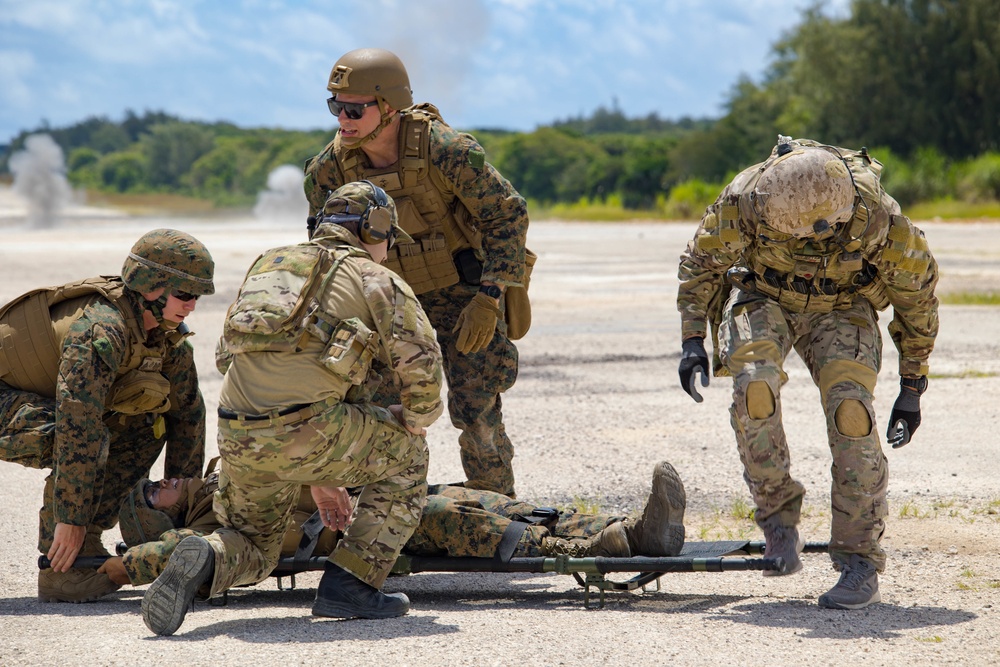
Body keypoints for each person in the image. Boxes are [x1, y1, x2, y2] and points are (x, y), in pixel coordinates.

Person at [141, 182, 444, 636]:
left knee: (257, 550)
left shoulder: (269, 264)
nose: (387, 252)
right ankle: (352, 584)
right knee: (409, 455)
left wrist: (322, 475)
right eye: (387, 240)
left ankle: (208, 556)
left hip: (238, 437)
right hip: (310, 430)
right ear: (374, 227)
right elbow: (421, 363)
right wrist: (416, 420)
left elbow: (228, 358)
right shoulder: (376, 278)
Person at [675, 137, 939, 610]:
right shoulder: (747, 201)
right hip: (764, 296)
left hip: (843, 304)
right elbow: (700, 266)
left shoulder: (877, 218)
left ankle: (859, 558)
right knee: (754, 388)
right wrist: (693, 340)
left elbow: (916, 296)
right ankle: (778, 519)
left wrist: (912, 385)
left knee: (851, 414)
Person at [303, 47, 531, 498]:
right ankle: (389, 514)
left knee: (477, 404)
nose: (342, 119)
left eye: (353, 108)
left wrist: (488, 299)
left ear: (389, 105)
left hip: (462, 293)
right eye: (335, 107)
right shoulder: (329, 170)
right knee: (382, 410)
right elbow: (325, 249)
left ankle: (496, 508)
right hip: (386, 300)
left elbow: (508, 216)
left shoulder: (446, 151)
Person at [0, 229, 215, 603]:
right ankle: (63, 564)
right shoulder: (102, 329)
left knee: (148, 422)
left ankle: (88, 539)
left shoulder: (166, 337)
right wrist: (70, 519)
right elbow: (77, 425)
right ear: (151, 288)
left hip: (40, 405)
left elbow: (188, 414)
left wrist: (183, 517)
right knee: (81, 436)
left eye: (196, 295)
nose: (192, 305)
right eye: (184, 294)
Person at [102, 459, 686, 587]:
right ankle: (622, 543)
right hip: (359, 529)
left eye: (156, 478)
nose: (165, 480)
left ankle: (628, 524)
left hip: (374, 491)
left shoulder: (224, 469)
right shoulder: (214, 524)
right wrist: (119, 568)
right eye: (154, 491)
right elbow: (176, 555)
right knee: (458, 520)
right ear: (160, 515)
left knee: (489, 500)